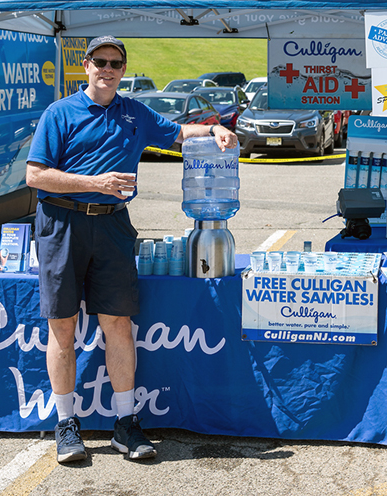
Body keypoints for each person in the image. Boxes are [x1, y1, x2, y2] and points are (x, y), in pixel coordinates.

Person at [26, 36, 237, 464]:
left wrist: (215, 128)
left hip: (113, 225)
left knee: (118, 324)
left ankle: (125, 423)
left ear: (123, 70)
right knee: (62, 326)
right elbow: (35, 176)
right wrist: (95, 183)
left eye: (115, 63)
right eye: (100, 61)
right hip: (62, 223)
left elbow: (179, 132)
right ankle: (65, 424)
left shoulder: (134, 112)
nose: (107, 69)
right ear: (86, 65)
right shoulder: (59, 113)